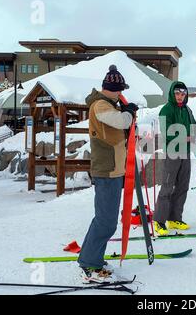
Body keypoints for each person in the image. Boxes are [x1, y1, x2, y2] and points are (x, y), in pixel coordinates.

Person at [78, 65, 139, 283]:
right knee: (106, 221)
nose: (122, 95)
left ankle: (93, 258)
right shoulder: (100, 104)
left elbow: (120, 128)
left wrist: (128, 116)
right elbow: (120, 121)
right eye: (121, 90)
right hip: (107, 170)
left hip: (113, 169)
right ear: (115, 89)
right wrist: (129, 112)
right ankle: (89, 264)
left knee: (105, 219)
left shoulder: (108, 104)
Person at [153, 81, 196, 236]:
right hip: (172, 153)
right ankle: (159, 221)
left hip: (185, 153)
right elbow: (167, 132)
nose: (180, 97)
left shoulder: (187, 110)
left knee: (182, 186)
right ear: (173, 94)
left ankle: (174, 218)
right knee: (167, 186)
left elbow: (194, 126)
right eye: (178, 94)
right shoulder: (166, 110)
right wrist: (185, 138)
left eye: (183, 94)